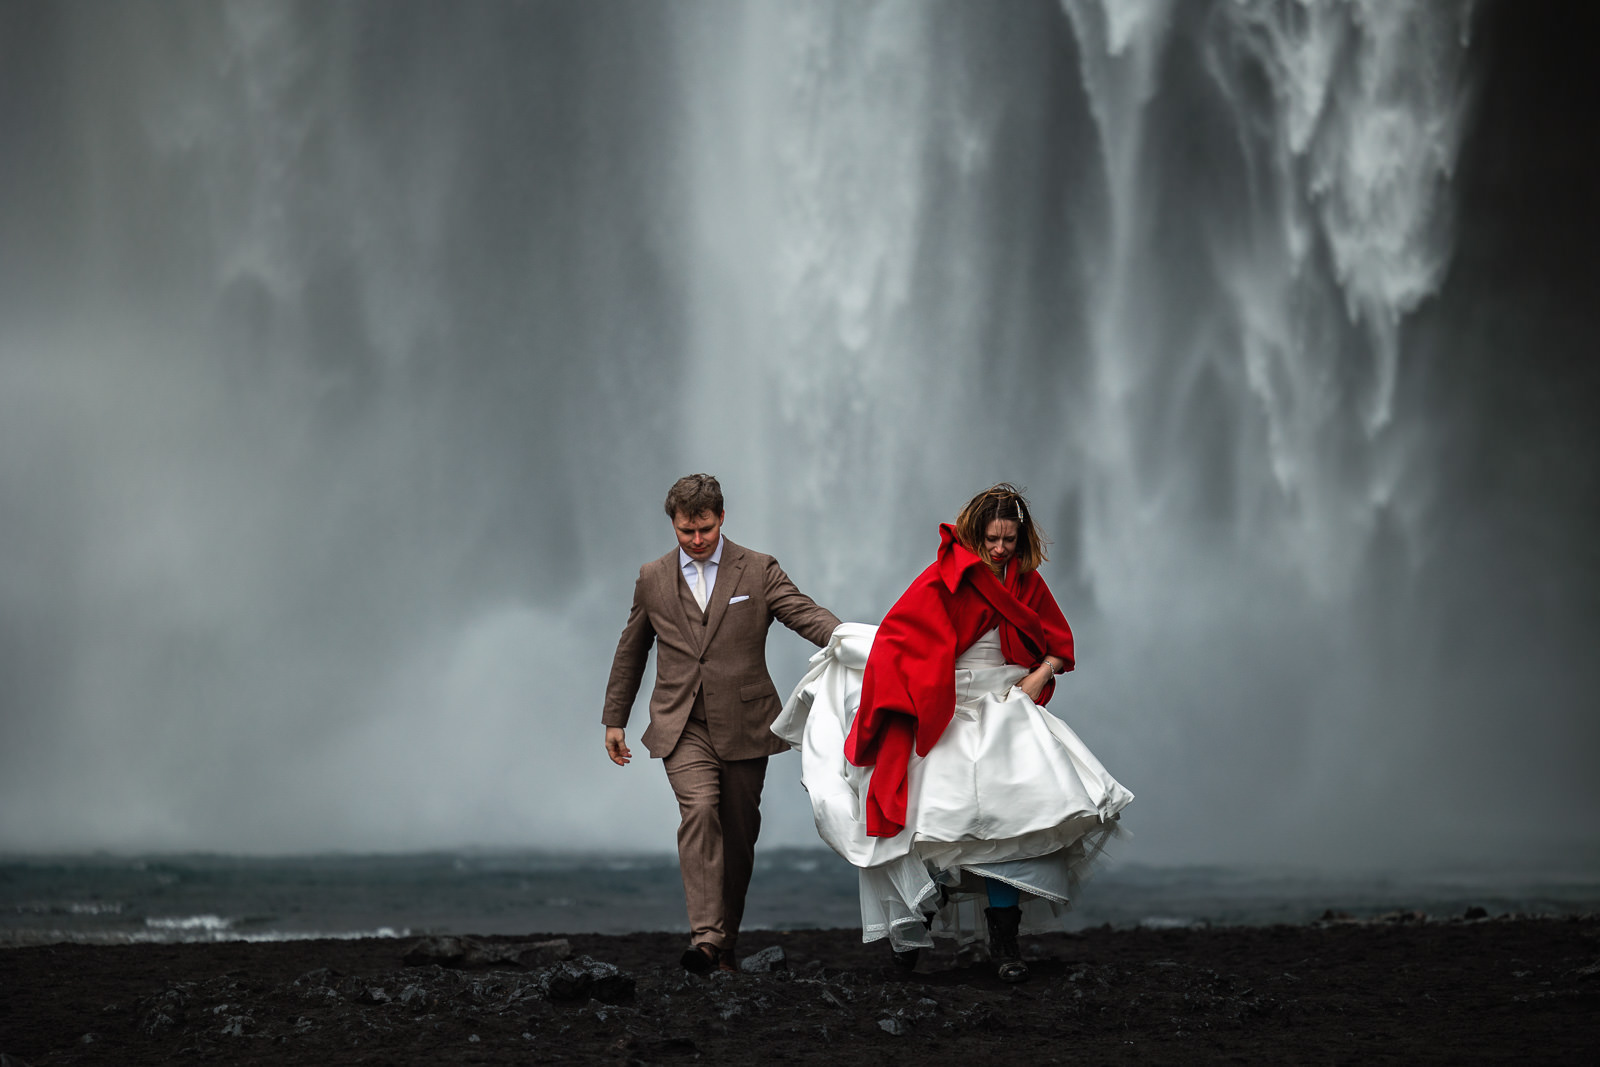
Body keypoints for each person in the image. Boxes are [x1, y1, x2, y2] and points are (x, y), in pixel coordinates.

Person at [773, 483, 1131, 982]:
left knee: (1018, 827)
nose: (1000, 549)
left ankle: (1005, 948)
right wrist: (926, 690)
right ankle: (913, 920)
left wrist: (1039, 673)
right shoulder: (946, 578)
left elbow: (1058, 643)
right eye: (992, 538)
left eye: (1009, 539)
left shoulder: (1027, 581)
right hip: (948, 705)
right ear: (975, 533)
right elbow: (902, 636)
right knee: (936, 827)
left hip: (1008, 705)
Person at [603, 474, 841, 974]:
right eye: (686, 531)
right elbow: (632, 649)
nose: (696, 541)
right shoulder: (651, 577)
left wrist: (856, 641)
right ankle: (706, 940)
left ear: (721, 518)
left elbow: (803, 614)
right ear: (673, 524)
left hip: (745, 723)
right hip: (680, 723)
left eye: (705, 530)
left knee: (738, 835)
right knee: (700, 811)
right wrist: (614, 718)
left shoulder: (757, 569)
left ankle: (723, 943)